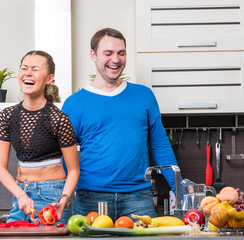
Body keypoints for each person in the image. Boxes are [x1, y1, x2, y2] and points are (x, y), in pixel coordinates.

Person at [62, 28, 180, 220]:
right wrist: (69, 193)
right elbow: (64, 155)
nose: (115, 59)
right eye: (108, 53)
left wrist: (182, 191)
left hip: (139, 198)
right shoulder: (74, 103)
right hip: (91, 199)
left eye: (121, 53)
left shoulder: (144, 95)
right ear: (93, 55)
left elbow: (160, 146)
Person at [0, 50, 79, 224]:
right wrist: (20, 195)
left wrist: (64, 199)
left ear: (49, 79)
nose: (28, 73)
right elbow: (0, 168)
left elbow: (73, 170)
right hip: (21, 195)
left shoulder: (59, 119)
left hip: (52, 196)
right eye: (24, 68)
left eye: (35, 69)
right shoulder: (7, 116)